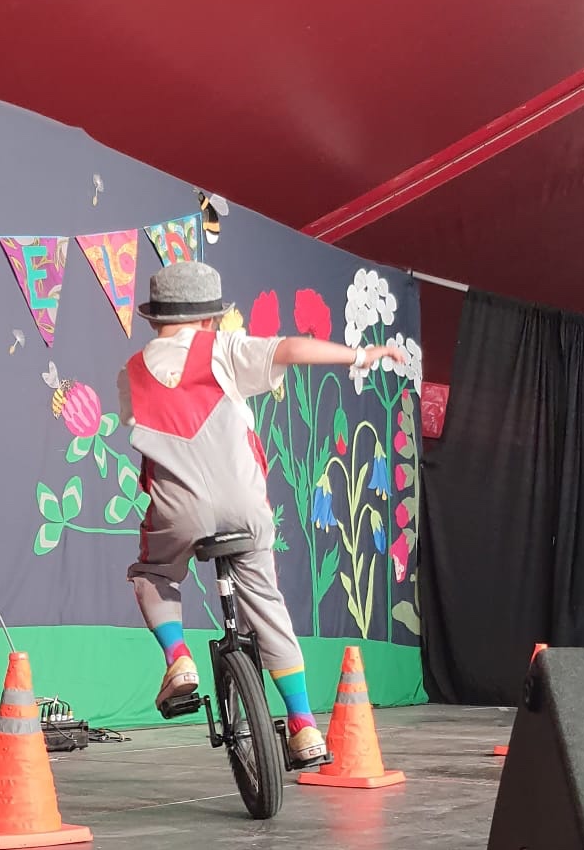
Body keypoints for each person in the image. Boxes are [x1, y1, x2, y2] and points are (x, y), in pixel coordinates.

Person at [120, 259, 408, 765]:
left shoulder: (132, 372)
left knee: (153, 572)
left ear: (156, 319)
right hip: (244, 503)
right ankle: (303, 725)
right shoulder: (222, 348)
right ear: (208, 318)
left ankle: (178, 658)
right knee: (266, 602)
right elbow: (290, 349)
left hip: (178, 508)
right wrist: (360, 354)